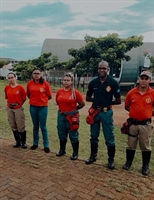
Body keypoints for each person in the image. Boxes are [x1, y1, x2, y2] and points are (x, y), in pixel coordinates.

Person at [85, 60, 121, 169]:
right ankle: (93, 156)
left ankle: (111, 160)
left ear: (108, 69)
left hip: (106, 113)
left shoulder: (113, 83)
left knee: (109, 137)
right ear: (98, 69)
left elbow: (118, 100)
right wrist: (97, 101)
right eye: (100, 68)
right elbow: (87, 97)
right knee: (93, 136)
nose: (102, 70)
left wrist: (107, 103)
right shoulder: (93, 83)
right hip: (95, 112)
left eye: (104, 68)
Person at [122, 70, 154, 175]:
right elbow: (127, 106)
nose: (144, 81)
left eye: (146, 79)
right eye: (142, 78)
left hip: (146, 124)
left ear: (150, 80)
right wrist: (134, 113)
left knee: (145, 146)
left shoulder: (152, 93)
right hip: (133, 124)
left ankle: (145, 166)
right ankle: (128, 162)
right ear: (139, 79)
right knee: (131, 144)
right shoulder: (132, 92)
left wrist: (148, 114)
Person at [56, 72, 85, 160]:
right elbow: (58, 102)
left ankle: (75, 153)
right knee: (61, 133)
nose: (66, 82)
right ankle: (62, 150)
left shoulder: (75, 92)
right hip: (61, 115)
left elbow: (82, 104)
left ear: (72, 82)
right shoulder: (59, 91)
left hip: (72, 117)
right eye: (64, 80)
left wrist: (74, 110)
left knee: (73, 134)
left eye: (68, 80)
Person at [26, 68, 52, 153]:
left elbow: (49, 96)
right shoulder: (29, 83)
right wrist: (35, 101)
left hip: (43, 108)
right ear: (32, 74)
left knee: (43, 127)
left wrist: (42, 101)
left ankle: (46, 145)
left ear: (41, 74)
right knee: (35, 126)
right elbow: (29, 95)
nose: (36, 75)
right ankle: (35, 143)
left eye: (38, 73)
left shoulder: (45, 84)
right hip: (33, 107)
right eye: (34, 73)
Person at [4, 72, 27, 148]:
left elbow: (24, 98)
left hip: (18, 108)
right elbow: (7, 97)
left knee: (20, 125)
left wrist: (19, 105)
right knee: (12, 124)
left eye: (12, 77)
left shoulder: (20, 87)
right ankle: (17, 141)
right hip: (10, 108)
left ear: (15, 77)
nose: (11, 79)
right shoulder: (7, 88)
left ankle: (23, 142)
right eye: (9, 78)